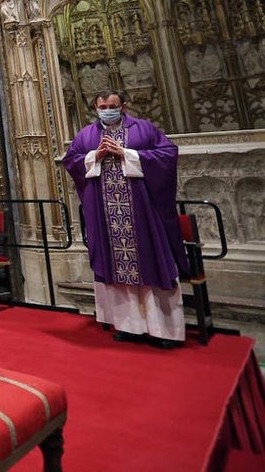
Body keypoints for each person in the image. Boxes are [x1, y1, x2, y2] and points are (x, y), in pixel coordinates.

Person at [62, 89, 188, 348]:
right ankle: (129, 326)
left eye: (113, 105)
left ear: (123, 106)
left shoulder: (143, 129)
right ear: (95, 108)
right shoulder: (87, 135)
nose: (108, 109)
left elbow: (168, 154)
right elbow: (71, 162)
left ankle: (164, 330)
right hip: (107, 214)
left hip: (142, 213)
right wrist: (93, 156)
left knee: (151, 260)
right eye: (102, 106)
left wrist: (127, 154)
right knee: (116, 268)